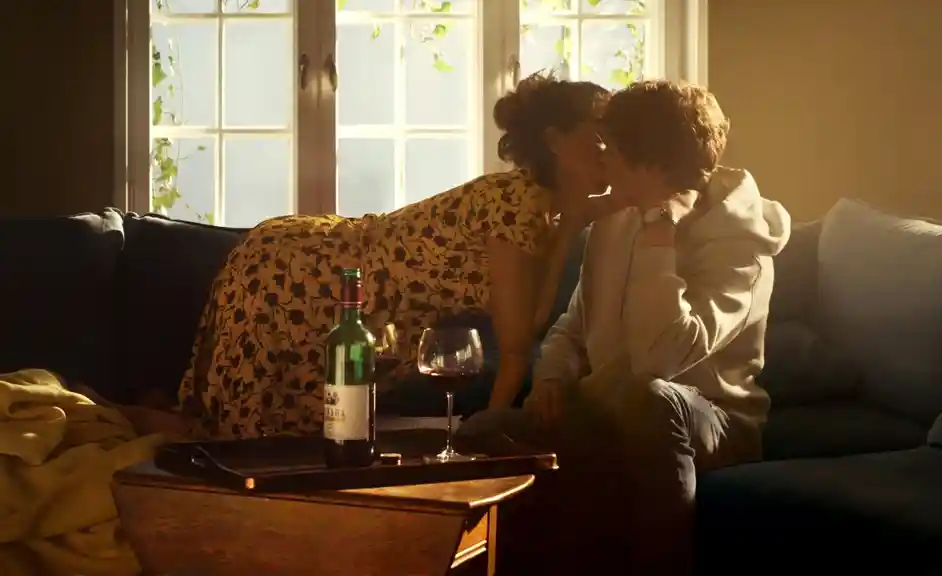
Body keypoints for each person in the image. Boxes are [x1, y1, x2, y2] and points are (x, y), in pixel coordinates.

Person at [456, 80, 792, 574]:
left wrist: (659, 235)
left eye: (610, 150)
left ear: (647, 163)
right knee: (480, 434)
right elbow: (573, 323)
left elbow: (660, 360)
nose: (602, 161)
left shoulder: (739, 246)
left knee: (648, 399)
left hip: (710, 421)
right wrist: (552, 377)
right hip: (609, 409)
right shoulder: (615, 221)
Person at [177, 72, 618, 440]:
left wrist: (572, 226)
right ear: (555, 140)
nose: (610, 150)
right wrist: (481, 443)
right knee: (248, 436)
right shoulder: (515, 202)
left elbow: (529, 321)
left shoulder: (539, 210)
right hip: (300, 271)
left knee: (280, 437)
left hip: (322, 278)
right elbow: (517, 348)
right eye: (600, 136)